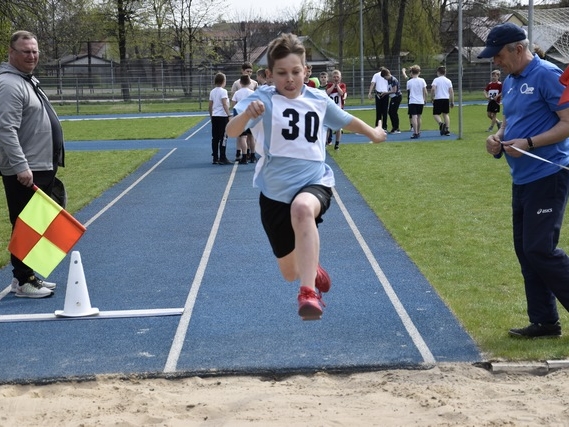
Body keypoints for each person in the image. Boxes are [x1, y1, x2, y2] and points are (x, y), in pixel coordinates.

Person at [226, 33, 387, 321]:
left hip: (314, 183)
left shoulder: (319, 99)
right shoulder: (261, 99)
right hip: (274, 193)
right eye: (282, 73)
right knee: (289, 272)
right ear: (269, 75)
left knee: (302, 210)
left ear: (306, 71)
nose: (290, 79)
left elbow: (348, 121)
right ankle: (311, 269)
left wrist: (374, 133)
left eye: (296, 72)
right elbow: (232, 131)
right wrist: (245, 115)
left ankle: (309, 293)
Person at [480, 23, 569, 338]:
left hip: (549, 174)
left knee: (539, 249)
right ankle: (545, 322)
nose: (495, 61)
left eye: (499, 54)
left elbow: (567, 122)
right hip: (523, 179)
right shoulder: (511, 80)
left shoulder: (547, 74)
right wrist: (499, 137)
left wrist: (528, 143)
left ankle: (546, 320)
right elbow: (511, 121)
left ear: (519, 49)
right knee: (526, 250)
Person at [0, 30, 63, 298]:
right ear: (11, 53)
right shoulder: (10, 84)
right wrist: (21, 166)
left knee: (36, 224)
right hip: (28, 169)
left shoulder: (26, 80)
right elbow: (5, 129)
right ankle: (23, 280)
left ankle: (27, 276)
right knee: (25, 226)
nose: (32, 55)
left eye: (35, 51)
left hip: (41, 164)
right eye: (26, 51)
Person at [231, 75, 255, 164]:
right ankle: (252, 155)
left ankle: (244, 156)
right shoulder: (252, 93)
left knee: (243, 137)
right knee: (251, 137)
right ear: (249, 83)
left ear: (240, 83)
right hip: (250, 116)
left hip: (241, 117)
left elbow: (234, 105)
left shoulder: (237, 93)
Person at [208, 73, 231, 165]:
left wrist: (211, 116)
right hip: (222, 116)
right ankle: (222, 156)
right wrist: (229, 115)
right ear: (223, 81)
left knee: (215, 138)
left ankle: (215, 157)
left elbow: (210, 105)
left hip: (215, 116)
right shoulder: (223, 91)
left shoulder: (212, 91)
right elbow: (224, 104)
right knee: (224, 137)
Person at [325, 69, 347, 150]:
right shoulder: (329, 85)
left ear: (340, 77)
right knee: (327, 127)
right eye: (334, 77)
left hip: (339, 109)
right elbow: (327, 92)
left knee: (338, 128)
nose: (336, 78)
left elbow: (341, 93)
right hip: (330, 109)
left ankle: (337, 144)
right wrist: (333, 85)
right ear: (332, 78)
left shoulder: (342, 85)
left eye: (337, 77)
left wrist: (337, 85)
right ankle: (326, 142)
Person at [430, 66, 454, 136]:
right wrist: (452, 101)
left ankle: (441, 123)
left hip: (438, 98)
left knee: (436, 114)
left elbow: (433, 89)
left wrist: (432, 97)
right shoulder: (448, 80)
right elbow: (451, 91)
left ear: (438, 72)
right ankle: (447, 129)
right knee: (445, 114)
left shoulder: (436, 80)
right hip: (446, 98)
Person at [406, 65, 427, 139]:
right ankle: (418, 131)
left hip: (412, 101)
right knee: (419, 117)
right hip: (420, 101)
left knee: (414, 117)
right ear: (419, 72)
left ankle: (415, 132)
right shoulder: (422, 80)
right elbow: (425, 91)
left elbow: (409, 91)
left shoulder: (409, 82)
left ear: (411, 72)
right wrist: (425, 99)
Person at [381, 68, 402, 134]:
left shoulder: (393, 80)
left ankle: (397, 128)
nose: (385, 79)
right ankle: (394, 127)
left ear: (387, 75)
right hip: (393, 97)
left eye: (385, 77)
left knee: (393, 112)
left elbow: (394, 90)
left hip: (396, 97)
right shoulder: (389, 80)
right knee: (390, 112)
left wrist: (385, 93)